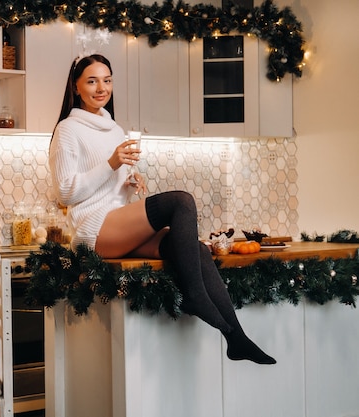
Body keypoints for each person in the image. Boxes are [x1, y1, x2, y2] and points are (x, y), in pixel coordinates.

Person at [49, 53, 276, 365]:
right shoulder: (68, 129)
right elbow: (65, 192)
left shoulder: (115, 130)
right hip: (92, 230)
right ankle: (195, 296)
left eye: (107, 80)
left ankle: (235, 337)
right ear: (76, 87)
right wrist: (112, 163)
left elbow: (110, 194)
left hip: (114, 225)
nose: (101, 87)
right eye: (91, 81)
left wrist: (127, 184)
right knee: (180, 201)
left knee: (193, 249)